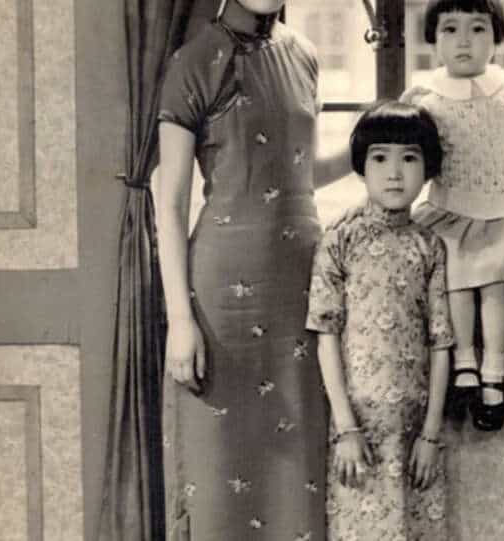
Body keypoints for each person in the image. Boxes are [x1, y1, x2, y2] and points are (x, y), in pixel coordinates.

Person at [155, 0, 350, 539]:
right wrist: (179, 318)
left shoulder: (304, 56)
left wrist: (377, 144)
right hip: (223, 297)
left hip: (300, 288)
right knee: (219, 468)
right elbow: (168, 203)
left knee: (298, 466)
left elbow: (302, 176)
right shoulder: (195, 60)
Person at [402, 0, 504, 431]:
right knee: (454, 276)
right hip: (448, 211)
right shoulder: (425, 97)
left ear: (495, 38)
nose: (464, 42)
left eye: (477, 29)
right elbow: (407, 159)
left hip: (500, 214)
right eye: (450, 30)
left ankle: (494, 370)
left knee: (493, 281)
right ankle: (464, 363)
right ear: (433, 40)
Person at [306, 101, 455, 541]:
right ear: (362, 167)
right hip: (358, 431)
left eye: (409, 158)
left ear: (427, 168)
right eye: (380, 158)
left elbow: (440, 342)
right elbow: (326, 337)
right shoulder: (339, 240)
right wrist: (347, 428)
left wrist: (430, 435)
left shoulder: (431, 247)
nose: (394, 173)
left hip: (415, 434)